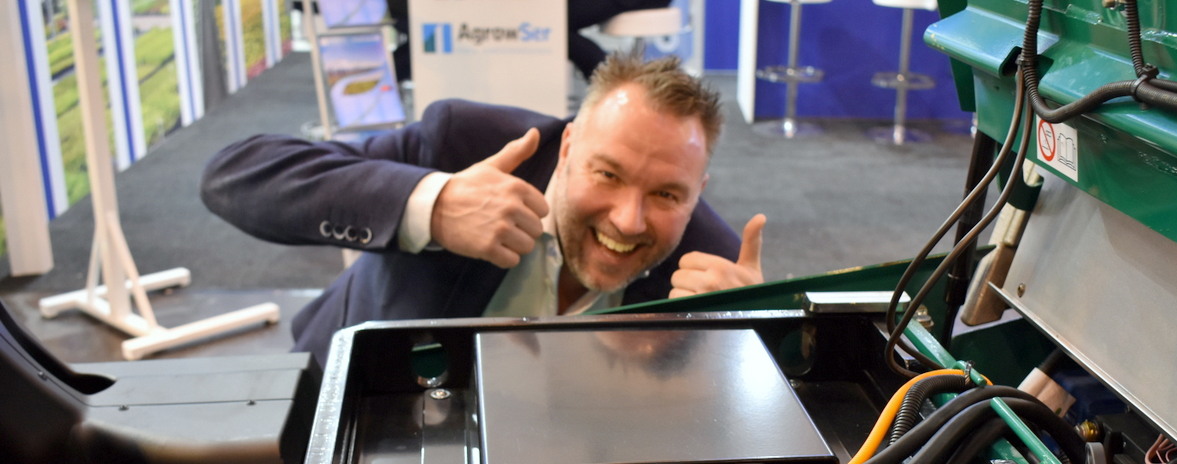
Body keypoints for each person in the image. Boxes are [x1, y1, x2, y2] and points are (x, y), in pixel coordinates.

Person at [200, 52, 766, 365]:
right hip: (352, 411)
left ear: (698, 189)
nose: (628, 219)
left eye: (667, 194)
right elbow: (236, 175)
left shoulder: (714, 268)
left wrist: (740, 346)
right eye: (608, 174)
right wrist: (431, 204)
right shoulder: (461, 143)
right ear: (567, 146)